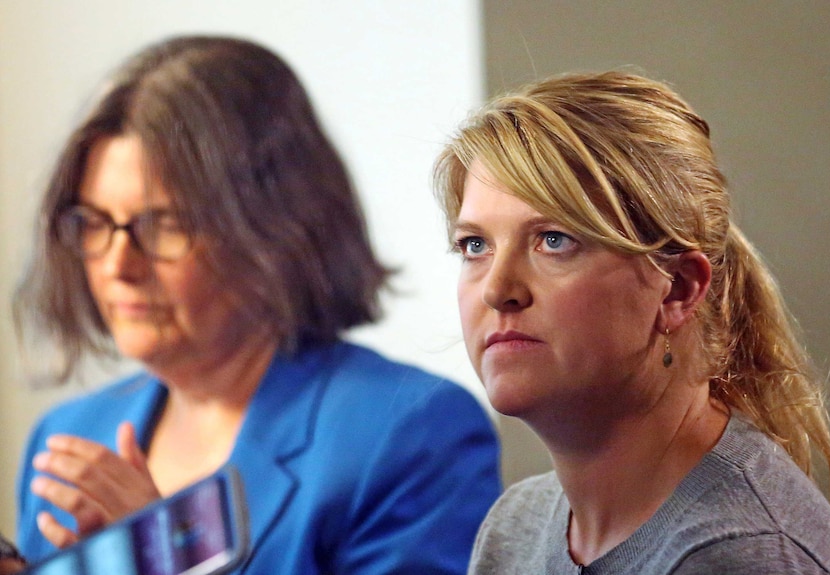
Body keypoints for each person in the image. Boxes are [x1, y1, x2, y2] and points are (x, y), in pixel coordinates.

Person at [14, 35, 501, 574]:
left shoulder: (412, 433)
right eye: (94, 223)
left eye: (163, 225)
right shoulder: (70, 435)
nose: (118, 265)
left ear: (275, 226)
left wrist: (161, 557)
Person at [433, 71, 830, 574]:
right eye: (475, 245)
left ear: (678, 289)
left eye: (553, 240)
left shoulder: (740, 553)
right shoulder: (516, 524)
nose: (497, 289)